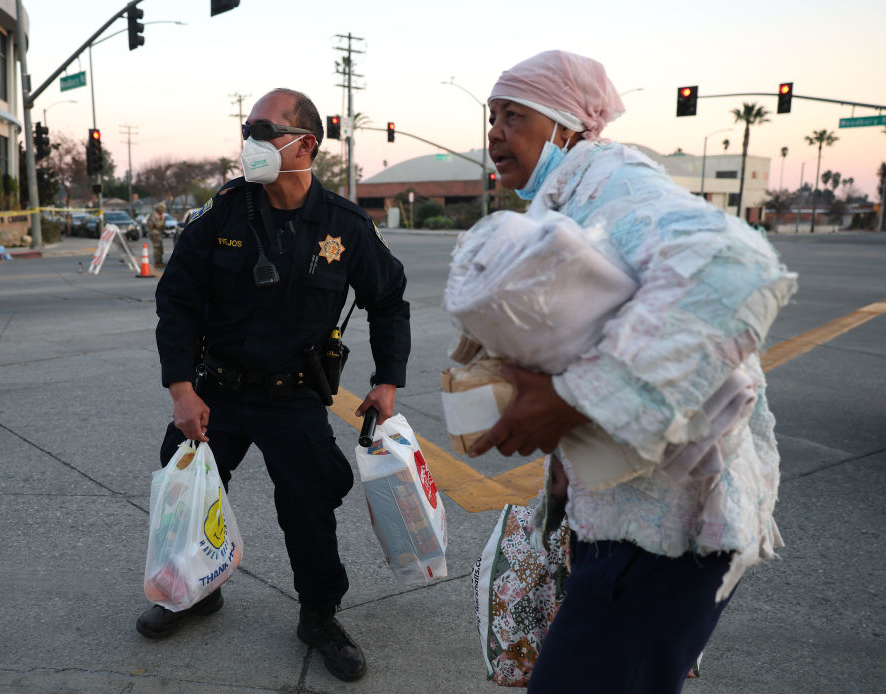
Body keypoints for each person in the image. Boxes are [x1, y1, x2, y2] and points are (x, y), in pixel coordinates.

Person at [465, 51, 797, 693]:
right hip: (622, 517)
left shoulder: (615, 182)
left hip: (668, 537)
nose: (495, 133)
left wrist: (575, 399)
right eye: (492, 117)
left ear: (567, 125)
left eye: (514, 115)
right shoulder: (564, 201)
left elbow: (737, 270)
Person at [143, 88, 410, 683]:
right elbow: (177, 302)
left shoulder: (343, 225)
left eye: (264, 130)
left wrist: (388, 380)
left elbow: (389, 301)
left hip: (294, 396)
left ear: (304, 144)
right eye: (247, 129)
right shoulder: (223, 215)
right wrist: (182, 389)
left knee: (310, 504)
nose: (250, 143)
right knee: (186, 492)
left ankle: (319, 616)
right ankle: (192, 589)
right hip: (220, 393)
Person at [146, 201, 167, 268]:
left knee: (160, 248)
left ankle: (160, 262)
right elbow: (158, 225)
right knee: (157, 248)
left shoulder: (158, 215)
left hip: (157, 233)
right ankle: (157, 262)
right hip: (155, 233)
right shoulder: (155, 215)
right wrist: (162, 220)